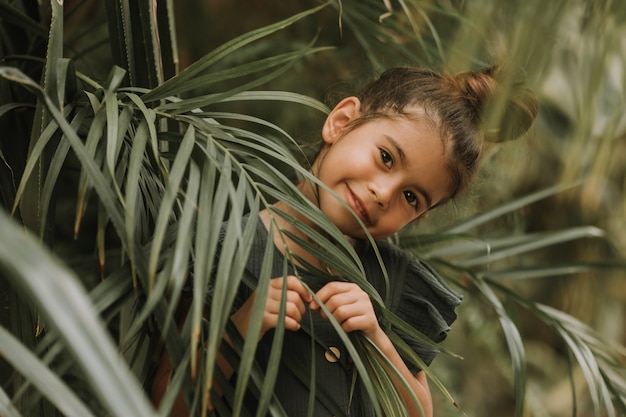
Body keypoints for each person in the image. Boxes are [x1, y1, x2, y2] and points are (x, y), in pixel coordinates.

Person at [151, 65, 537, 416]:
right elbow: (164, 403)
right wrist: (238, 330)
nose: (384, 193)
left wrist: (376, 340)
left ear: (418, 217)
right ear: (341, 121)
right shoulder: (227, 249)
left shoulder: (395, 287)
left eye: (411, 197)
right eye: (386, 157)